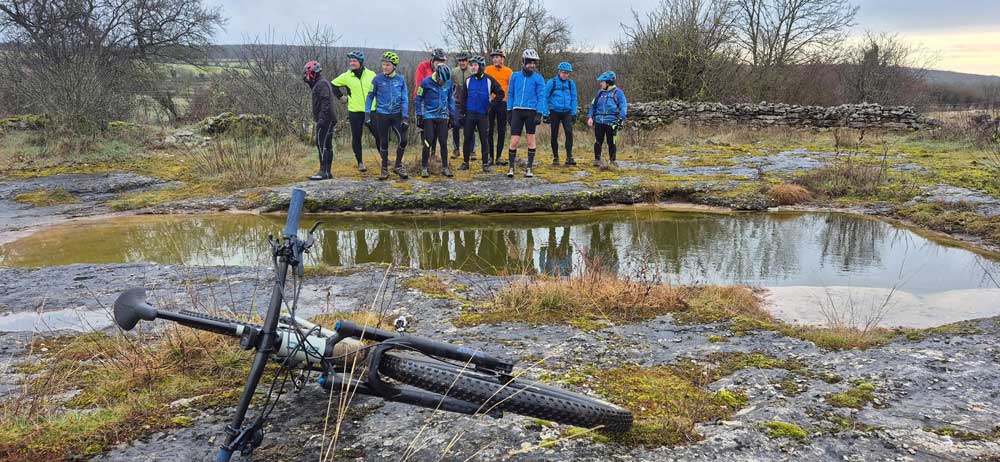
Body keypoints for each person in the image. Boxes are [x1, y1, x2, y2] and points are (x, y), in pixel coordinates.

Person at [365, 51, 410, 180]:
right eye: (383, 64)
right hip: (382, 114)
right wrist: (367, 113)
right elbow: (370, 97)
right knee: (383, 142)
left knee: (404, 140)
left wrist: (405, 116)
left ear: (394, 66)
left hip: (397, 115)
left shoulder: (401, 80)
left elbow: (405, 99)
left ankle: (398, 165)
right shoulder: (377, 79)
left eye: (387, 65)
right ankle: (384, 169)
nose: (384, 67)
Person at [331, 50, 378, 173]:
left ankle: (385, 158)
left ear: (360, 62)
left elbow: (379, 87)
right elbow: (333, 84)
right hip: (355, 111)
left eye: (354, 61)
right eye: (350, 61)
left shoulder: (371, 74)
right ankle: (360, 162)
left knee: (379, 135)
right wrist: (341, 97)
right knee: (357, 137)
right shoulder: (346, 76)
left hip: (371, 110)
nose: (351, 63)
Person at [505, 48, 548, 178]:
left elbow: (541, 96)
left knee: (531, 140)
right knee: (514, 141)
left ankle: (529, 168)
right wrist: (509, 110)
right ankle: (511, 167)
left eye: (534, 63)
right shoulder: (515, 76)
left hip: (531, 111)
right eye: (529, 62)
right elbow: (510, 93)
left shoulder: (538, 78)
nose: (532, 65)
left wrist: (539, 113)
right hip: (517, 110)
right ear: (523, 62)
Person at [459, 55, 505, 172]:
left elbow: (501, 93)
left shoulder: (489, 80)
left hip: (483, 115)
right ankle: (465, 162)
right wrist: (462, 114)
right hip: (470, 114)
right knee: (467, 138)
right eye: (472, 65)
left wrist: (491, 105)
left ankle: (485, 164)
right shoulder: (468, 80)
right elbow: (463, 98)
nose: (472, 67)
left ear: (481, 66)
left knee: (484, 139)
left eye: (475, 65)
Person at [415, 63, 456, 178]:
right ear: (437, 76)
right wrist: (419, 115)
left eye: (445, 81)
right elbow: (418, 99)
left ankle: (445, 167)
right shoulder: (426, 82)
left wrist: (452, 115)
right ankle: (424, 167)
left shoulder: (448, 82)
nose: (443, 83)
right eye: (442, 80)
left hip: (442, 116)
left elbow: (450, 99)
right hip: (429, 116)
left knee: (443, 142)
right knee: (428, 141)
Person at [303, 60, 336, 180]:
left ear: (313, 73)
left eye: (308, 73)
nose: (306, 76)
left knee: (321, 143)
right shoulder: (320, 83)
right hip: (329, 118)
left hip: (325, 119)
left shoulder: (321, 84)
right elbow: (315, 89)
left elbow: (326, 102)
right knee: (327, 145)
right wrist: (308, 82)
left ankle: (323, 171)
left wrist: (322, 118)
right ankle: (327, 172)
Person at [587, 71, 627, 167]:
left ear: (608, 83)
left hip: (612, 122)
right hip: (599, 121)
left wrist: (621, 119)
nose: (601, 83)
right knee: (598, 141)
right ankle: (597, 160)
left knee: (611, 142)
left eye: (602, 82)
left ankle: (612, 161)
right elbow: (593, 106)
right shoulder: (599, 93)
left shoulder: (618, 93)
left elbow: (623, 107)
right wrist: (590, 117)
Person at [414, 49, 448, 160]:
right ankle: (426, 153)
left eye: (442, 61)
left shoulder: (442, 69)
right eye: (438, 61)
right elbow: (420, 83)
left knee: (437, 130)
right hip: (423, 99)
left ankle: (433, 154)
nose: (440, 64)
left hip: (436, 103)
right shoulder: (423, 66)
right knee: (425, 130)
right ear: (432, 60)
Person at [543, 61, 579, 166]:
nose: (565, 75)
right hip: (554, 111)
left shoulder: (570, 83)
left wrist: (574, 112)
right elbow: (545, 97)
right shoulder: (552, 82)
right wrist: (545, 113)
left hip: (567, 112)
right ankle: (556, 157)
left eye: (567, 73)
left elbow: (574, 98)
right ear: (559, 72)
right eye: (563, 72)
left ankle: (569, 157)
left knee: (569, 133)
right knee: (554, 134)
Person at [485, 49, 512, 166]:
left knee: (501, 131)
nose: (495, 59)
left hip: (503, 103)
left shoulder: (509, 71)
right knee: (489, 130)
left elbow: (511, 89)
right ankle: (490, 156)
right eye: (494, 57)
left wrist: (511, 105)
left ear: (503, 59)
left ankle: (499, 156)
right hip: (490, 102)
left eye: (498, 57)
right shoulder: (487, 70)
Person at [450, 51, 475, 160]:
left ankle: (472, 150)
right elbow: (450, 87)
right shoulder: (454, 72)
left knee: (470, 126)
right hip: (457, 102)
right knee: (455, 125)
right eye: (460, 61)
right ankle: (456, 149)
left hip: (470, 102)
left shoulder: (472, 71)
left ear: (468, 61)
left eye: (464, 60)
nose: (462, 63)